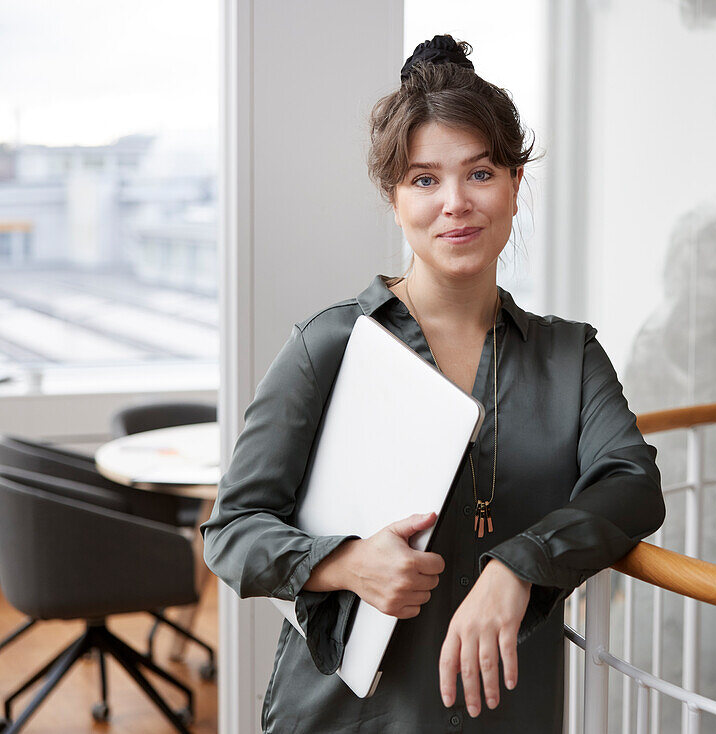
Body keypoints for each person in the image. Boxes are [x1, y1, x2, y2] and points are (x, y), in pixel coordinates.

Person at [202, 34, 665, 733]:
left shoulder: (570, 357)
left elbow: (632, 484)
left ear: (514, 185)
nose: (456, 202)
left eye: (479, 174)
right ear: (394, 199)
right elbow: (230, 534)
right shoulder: (330, 345)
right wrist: (348, 564)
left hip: (510, 712)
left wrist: (520, 566)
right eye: (424, 180)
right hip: (348, 718)